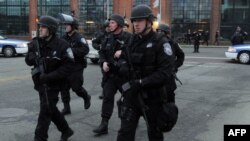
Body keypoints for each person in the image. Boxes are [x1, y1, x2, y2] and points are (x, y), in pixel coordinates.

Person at [116, 5, 174, 141]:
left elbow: (165, 73)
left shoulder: (161, 42)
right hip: (132, 95)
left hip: (153, 97)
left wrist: (142, 82)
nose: (136, 24)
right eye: (134, 21)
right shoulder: (131, 40)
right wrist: (122, 65)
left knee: (155, 134)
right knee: (124, 133)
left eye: (140, 21)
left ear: (149, 22)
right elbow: (122, 56)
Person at [25, 16, 74, 141]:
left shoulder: (62, 45)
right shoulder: (36, 42)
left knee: (45, 111)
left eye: (43, 27)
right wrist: (33, 57)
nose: (40, 29)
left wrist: (49, 76)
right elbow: (28, 60)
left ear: (51, 29)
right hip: (40, 82)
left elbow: (69, 66)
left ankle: (40, 138)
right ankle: (66, 130)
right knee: (50, 109)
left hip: (54, 84)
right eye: (40, 26)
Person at [93, 14, 132, 135]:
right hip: (111, 76)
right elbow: (102, 52)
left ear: (119, 25)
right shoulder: (107, 38)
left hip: (125, 78)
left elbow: (137, 53)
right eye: (109, 23)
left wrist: (124, 52)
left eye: (112, 22)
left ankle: (131, 122)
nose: (109, 24)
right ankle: (104, 124)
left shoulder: (129, 38)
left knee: (129, 99)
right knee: (107, 98)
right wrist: (103, 62)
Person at [60, 15, 91, 115]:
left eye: (67, 24)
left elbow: (85, 49)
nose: (65, 26)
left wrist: (71, 51)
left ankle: (86, 97)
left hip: (77, 66)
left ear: (73, 26)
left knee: (76, 87)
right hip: (66, 66)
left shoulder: (79, 37)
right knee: (63, 87)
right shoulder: (63, 37)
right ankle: (66, 108)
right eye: (65, 24)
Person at [156, 23, 185, 103]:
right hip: (156, 76)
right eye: (158, 31)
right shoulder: (155, 43)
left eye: (161, 31)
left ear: (166, 33)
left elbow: (181, 56)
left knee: (169, 99)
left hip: (168, 77)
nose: (159, 33)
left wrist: (174, 66)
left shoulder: (173, 43)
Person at [92, 20, 111, 99]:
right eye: (107, 27)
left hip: (113, 58)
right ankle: (104, 91)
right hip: (103, 58)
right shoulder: (101, 35)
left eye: (109, 27)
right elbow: (94, 43)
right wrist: (99, 47)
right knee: (105, 75)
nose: (109, 28)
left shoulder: (114, 34)